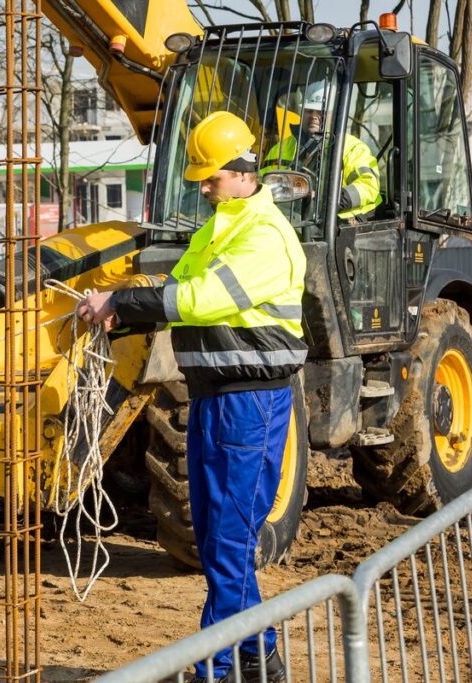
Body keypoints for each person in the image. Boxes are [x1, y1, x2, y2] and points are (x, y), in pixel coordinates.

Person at [77, 111, 307, 683]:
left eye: (210, 178)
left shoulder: (265, 234)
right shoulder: (220, 227)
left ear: (242, 171)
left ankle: (216, 668)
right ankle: (258, 653)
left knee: (229, 540)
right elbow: (178, 292)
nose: (202, 188)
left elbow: (200, 300)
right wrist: (118, 313)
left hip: (248, 402)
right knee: (214, 538)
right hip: (212, 397)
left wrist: (122, 305)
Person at [262, 81, 382, 222]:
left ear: (334, 114)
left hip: (343, 225)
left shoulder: (352, 147)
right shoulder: (282, 147)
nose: (314, 116)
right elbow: (262, 182)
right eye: (309, 111)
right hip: (293, 220)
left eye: (321, 112)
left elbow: (369, 185)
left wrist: (329, 200)